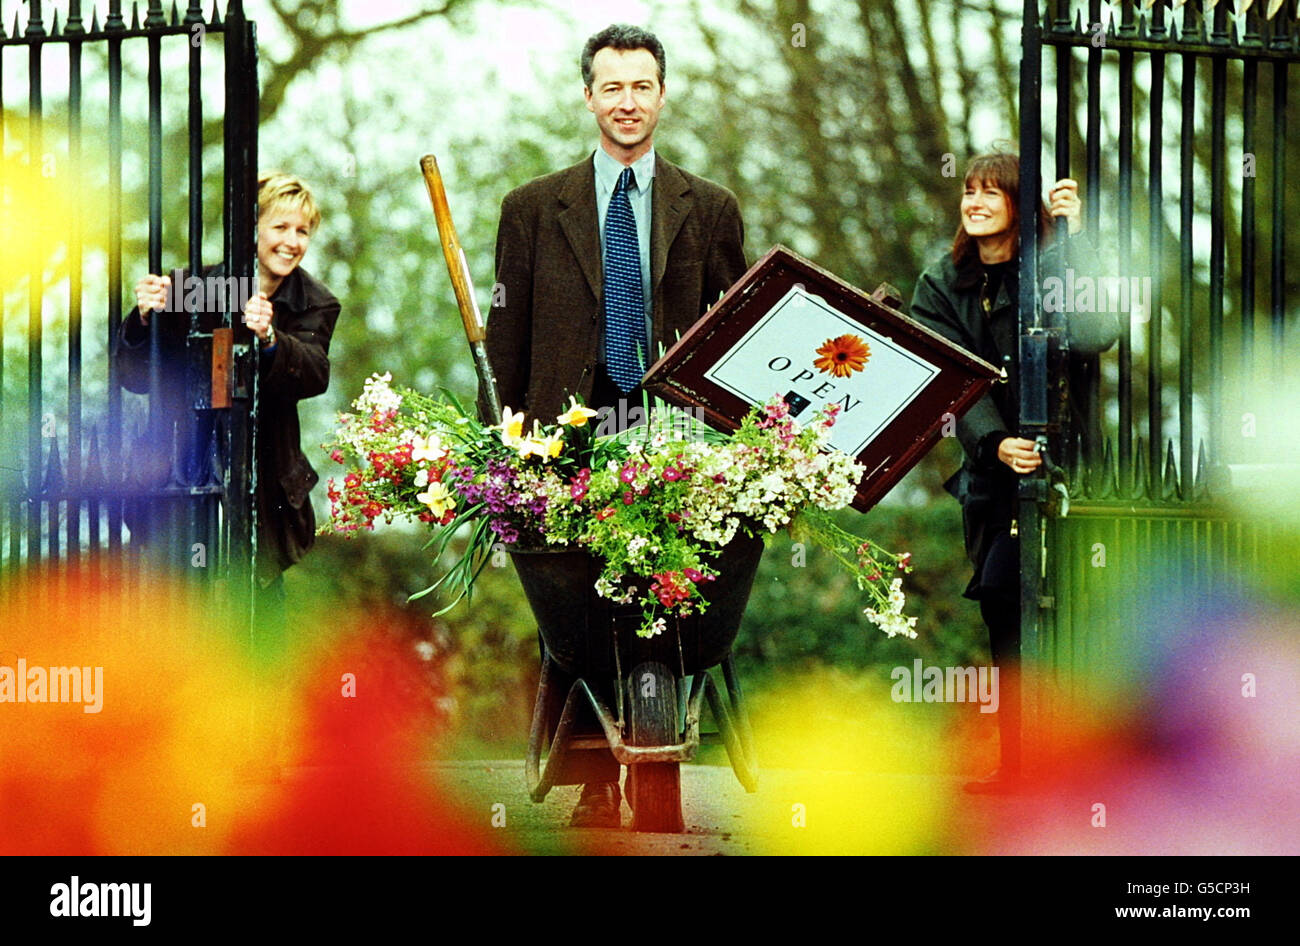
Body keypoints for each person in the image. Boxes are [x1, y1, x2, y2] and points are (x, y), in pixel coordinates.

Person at [481, 24, 748, 827]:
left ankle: (663, 729)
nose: (627, 102)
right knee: (575, 600)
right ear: (588, 96)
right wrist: (507, 448)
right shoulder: (531, 208)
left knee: (665, 584)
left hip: (674, 427)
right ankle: (592, 778)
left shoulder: (710, 208)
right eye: (612, 87)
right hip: (569, 425)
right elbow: (506, 339)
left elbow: (733, 331)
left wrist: (742, 442)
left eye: (642, 86)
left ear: (662, 94)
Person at [909, 152, 1117, 793]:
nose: (973, 203)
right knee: (1003, 600)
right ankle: (1020, 766)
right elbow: (942, 371)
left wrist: (1076, 239)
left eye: (990, 193)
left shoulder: (1052, 267)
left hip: (1071, 465)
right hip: (994, 477)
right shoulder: (942, 280)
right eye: (968, 192)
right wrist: (996, 442)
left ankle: (1090, 766)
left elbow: (1098, 331)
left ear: (1020, 207)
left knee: (1078, 609)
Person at [117, 171, 341, 624]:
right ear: (252, 229)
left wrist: (271, 337)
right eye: (280, 227)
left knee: (257, 619)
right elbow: (134, 376)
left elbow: (314, 374)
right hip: (186, 470)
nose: (292, 241)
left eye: (303, 231)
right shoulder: (195, 287)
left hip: (263, 479)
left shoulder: (315, 300)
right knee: (177, 616)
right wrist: (142, 319)